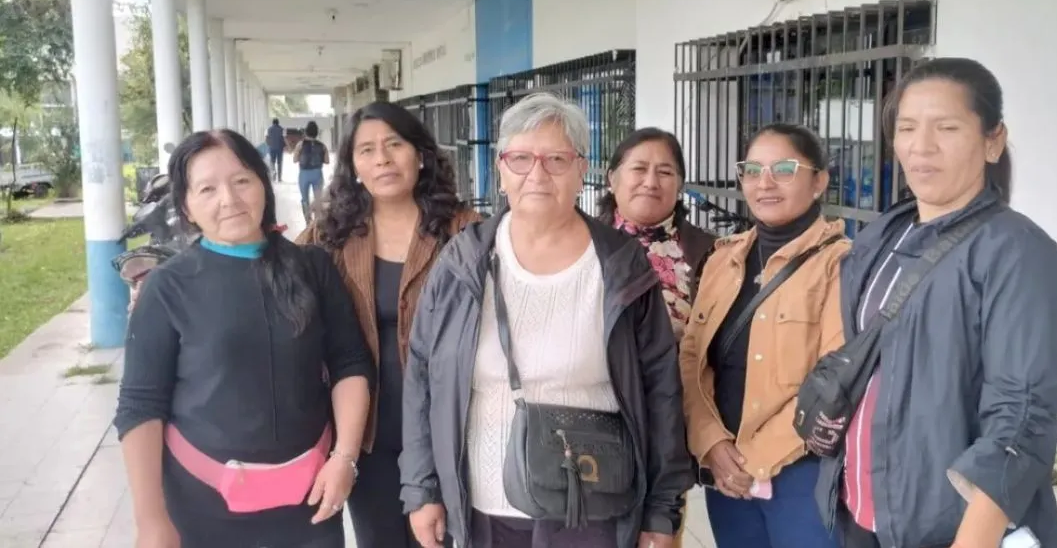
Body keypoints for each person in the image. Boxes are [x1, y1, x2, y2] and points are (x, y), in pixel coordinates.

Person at [400, 92, 693, 548]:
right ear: (501, 170)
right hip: (485, 505)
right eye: (520, 158)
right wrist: (421, 488)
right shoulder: (463, 261)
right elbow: (422, 376)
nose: (537, 175)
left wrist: (661, 507)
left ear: (581, 170)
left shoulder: (620, 265)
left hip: (590, 503)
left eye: (556, 159)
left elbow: (661, 390)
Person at [811, 58, 1057, 548]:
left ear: (993, 140)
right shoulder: (881, 237)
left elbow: (1022, 416)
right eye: (907, 128)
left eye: (947, 128)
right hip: (864, 515)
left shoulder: (1017, 253)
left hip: (947, 527)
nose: (922, 145)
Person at [113, 129, 375, 548]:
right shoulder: (168, 286)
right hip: (202, 510)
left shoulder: (312, 267)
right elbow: (140, 405)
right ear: (187, 206)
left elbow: (350, 363)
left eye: (241, 181)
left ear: (262, 185)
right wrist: (151, 520)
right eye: (207, 189)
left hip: (309, 504)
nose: (229, 199)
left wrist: (345, 458)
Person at [295, 101, 481, 548]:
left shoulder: (465, 232)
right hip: (367, 434)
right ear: (354, 165)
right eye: (366, 150)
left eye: (394, 144)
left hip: (448, 429)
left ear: (420, 154)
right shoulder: (330, 235)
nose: (382, 159)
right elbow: (279, 285)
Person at [678, 124, 849, 548]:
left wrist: (754, 458)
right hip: (726, 470)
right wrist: (711, 442)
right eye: (752, 170)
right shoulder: (723, 259)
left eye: (784, 169)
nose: (765, 183)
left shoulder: (840, 264)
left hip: (801, 471)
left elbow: (836, 378)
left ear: (819, 181)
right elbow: (692, 357)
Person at [598, 127, 716, 341]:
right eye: (639, 169)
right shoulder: (582, 242)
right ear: (612, 179)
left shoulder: (711, 253)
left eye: (665, 172)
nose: (651, 183)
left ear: (680, 186)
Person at [295, 120, 331, 223]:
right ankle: (317, 222)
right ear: (316, 132)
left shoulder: (300, 145)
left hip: (304, 174)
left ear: (306, 132)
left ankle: (308, 222)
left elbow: (295, 159)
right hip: (317, 174)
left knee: (304, 199)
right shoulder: (322, 146)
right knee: (318, 198)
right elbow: (327, 161)